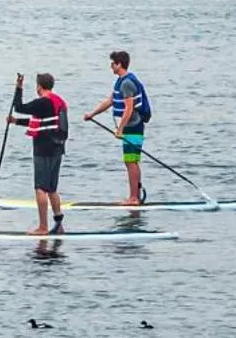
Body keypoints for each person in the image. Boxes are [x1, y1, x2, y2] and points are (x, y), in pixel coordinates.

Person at [83, 50, 151, 205]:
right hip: (130, 126)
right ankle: (134, 196)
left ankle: (134, 198)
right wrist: (92, 114)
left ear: (120, 64)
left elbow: (129, 109)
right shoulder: (121, 81)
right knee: (131, 161)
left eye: (113, 63)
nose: (111, 66)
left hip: (134, 126)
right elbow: (110, 101)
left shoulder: (127, 83)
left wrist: (120, 129)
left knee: (131, 161)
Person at [10, 72, 69, 235]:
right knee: (52, 189)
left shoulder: (42, 102)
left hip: (44, 149)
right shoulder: (58, 102)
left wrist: (18, 88)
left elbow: (18, 107)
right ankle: (59, 225)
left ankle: (43, 227)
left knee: (40, 188)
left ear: (39, 86)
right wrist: (16, 121)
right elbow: (40, 122)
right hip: (57, 149)